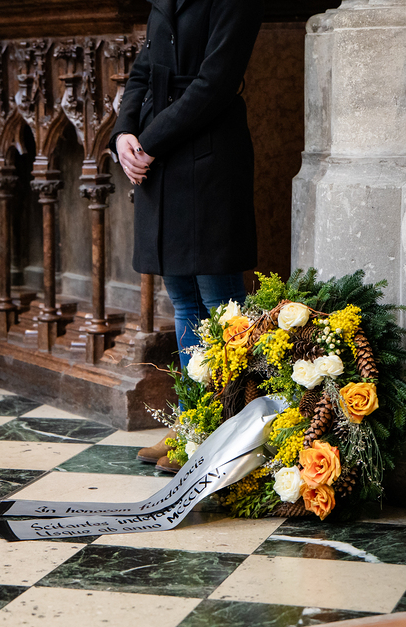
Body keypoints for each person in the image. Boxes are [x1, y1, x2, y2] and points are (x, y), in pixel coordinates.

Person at [110, 0, 263, 469]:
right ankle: (191, 424)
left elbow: (215, 83)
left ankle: (228, 430)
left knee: (220, 301)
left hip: (208, 154)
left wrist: (148, 141)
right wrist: (124, 133)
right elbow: (142, 71)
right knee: (182, 298)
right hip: (160, 156)